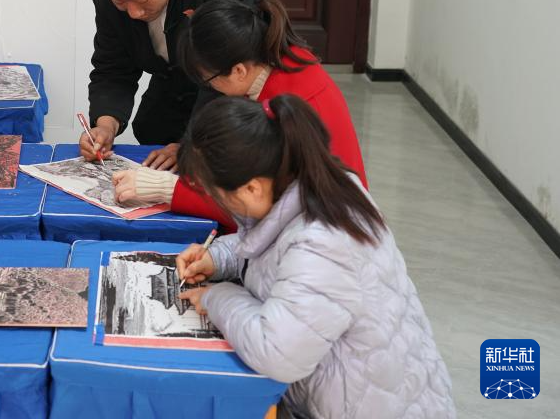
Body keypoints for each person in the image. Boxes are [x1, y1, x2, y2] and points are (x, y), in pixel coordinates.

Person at [173, 95, 454, 418]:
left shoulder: (324, 242)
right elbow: (275, 248)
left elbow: (276, 352)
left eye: (218, 196)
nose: (220, 205)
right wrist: (217, 258)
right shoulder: (314, 188)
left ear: (252, 188)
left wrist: (216, 297)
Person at [113, 0, 366, 230]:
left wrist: (167, 188)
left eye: (208, 80)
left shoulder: (286, 110)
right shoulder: (282, 60)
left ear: (238, 71)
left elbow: (256, 208)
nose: (212, 88)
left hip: (322, 231)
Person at [80, 0, 265, 168]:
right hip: (169, 90)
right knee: (151, 132)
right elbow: (113, 65)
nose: (133, 13)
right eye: (120, 2)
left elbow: (232, 68)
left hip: (229, 93)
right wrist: (105, 126)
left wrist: (193, 144)